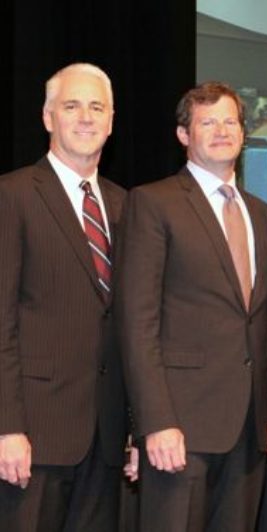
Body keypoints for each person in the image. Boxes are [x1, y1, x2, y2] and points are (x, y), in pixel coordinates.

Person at [117, 81, 267, 531]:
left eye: (230, 121)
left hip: (248, 430)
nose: (221, 131)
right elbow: (138, 323)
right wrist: (155, 422)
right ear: (183, 135)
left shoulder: (260, 214)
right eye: (207, 122)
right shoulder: (153, 203)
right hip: (180, 428)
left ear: (243, 132)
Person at [0, 63, 128, 531]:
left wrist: (133, 425)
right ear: (48, 117)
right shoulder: (11, 196)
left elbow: (128, 324)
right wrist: (6, 427)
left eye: (97, 107)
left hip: (105, 437)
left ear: (112, 122)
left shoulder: (124, 204)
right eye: (72, 105)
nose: (86, 117)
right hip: (33, 436)